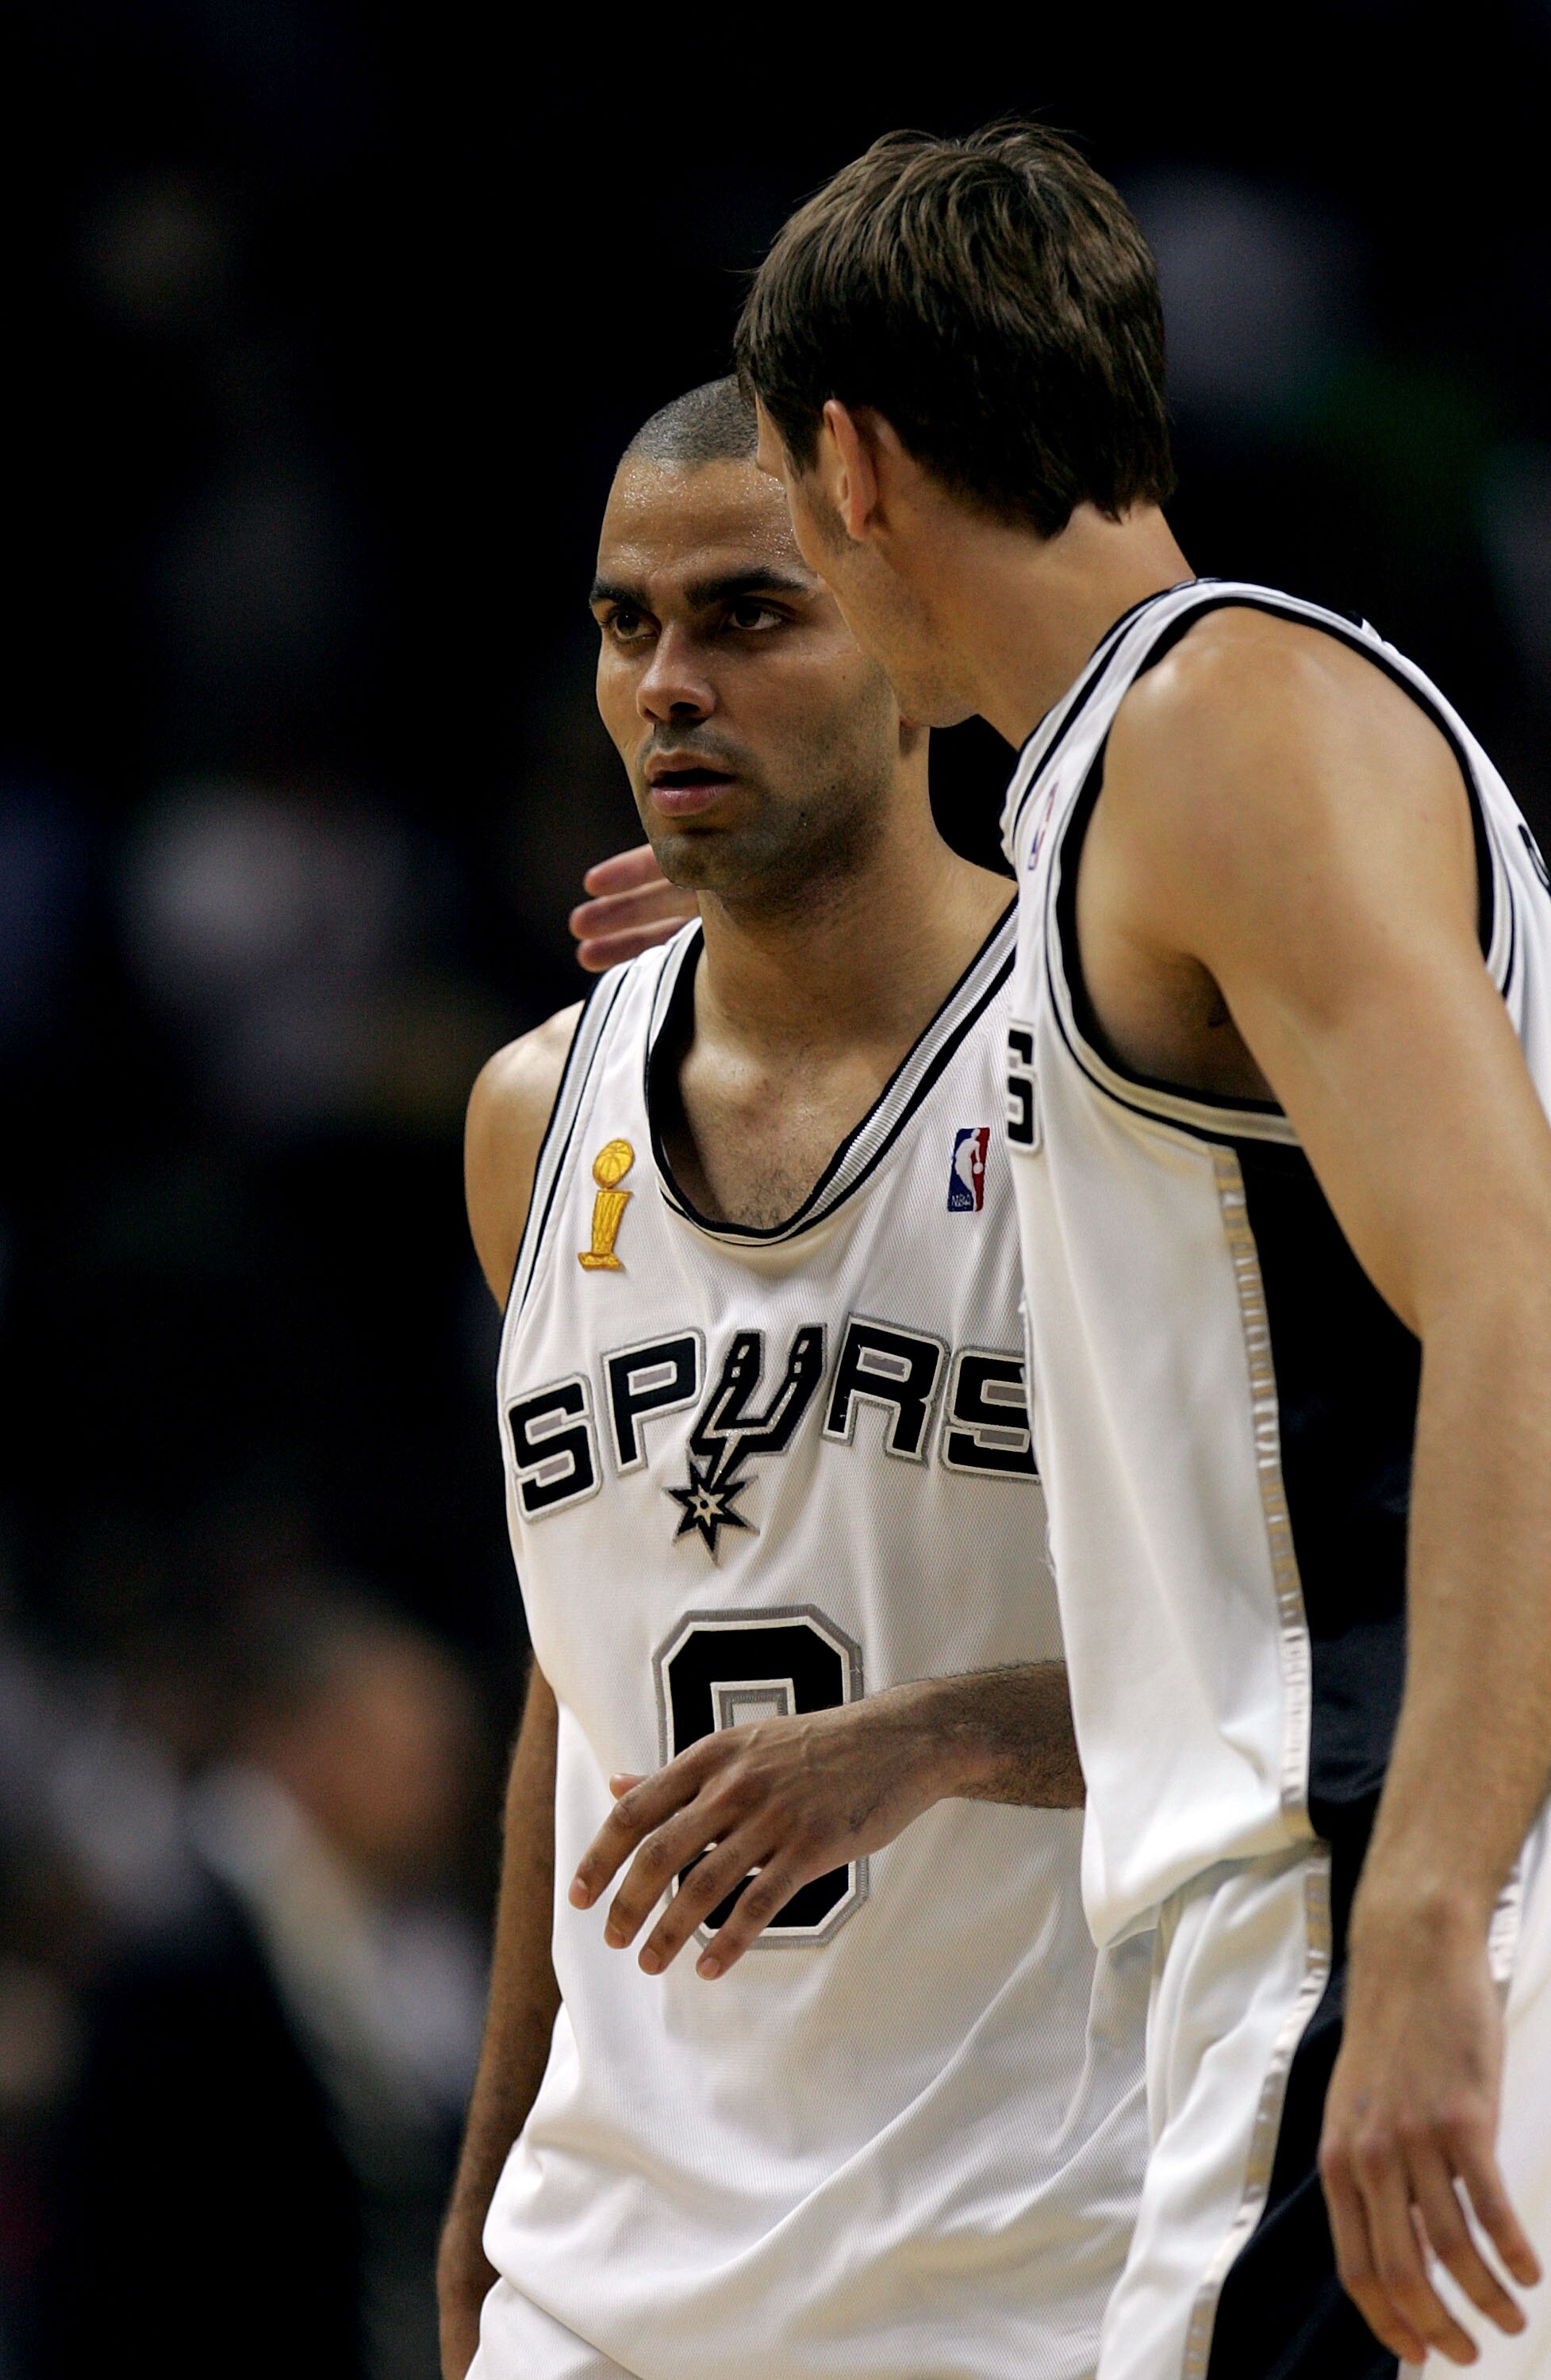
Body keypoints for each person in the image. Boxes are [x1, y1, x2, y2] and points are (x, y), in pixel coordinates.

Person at [728, 118, 1551, 2380]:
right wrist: (942, 1732)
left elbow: (1517, 1293)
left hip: (1384, 1907)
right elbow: (1270, 1526)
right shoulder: (1156, 766)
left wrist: (1422, 1917)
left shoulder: (1215, 729)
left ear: (851, 466)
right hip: (1323, 1911)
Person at [437, 377, 1150, 2380]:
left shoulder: (1126, 1078)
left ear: (910, 642)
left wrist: (937, 1735)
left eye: (748, 615)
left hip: (1036, 2273)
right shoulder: (529, 1115)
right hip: (605, 2279)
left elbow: (1309, 1640)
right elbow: (573, 1681)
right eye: (626, 626)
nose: (669, 684)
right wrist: (490, 2172)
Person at [49, 1585, 482, 2380]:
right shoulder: (183, 1944)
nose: (440, 1792)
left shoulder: (391, 1929)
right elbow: (135, 2251)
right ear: (303, 1744)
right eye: (410, 1758)